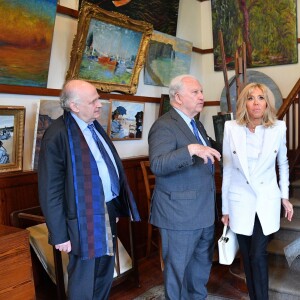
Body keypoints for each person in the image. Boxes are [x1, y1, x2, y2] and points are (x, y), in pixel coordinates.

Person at [38, 79, 140, 300]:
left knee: (104, 272)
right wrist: (59, 234)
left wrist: (114, 207)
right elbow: (50, 189)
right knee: (84, 279)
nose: (100, 104)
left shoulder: (93, 126)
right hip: (81, 219)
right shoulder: (57, 134)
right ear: (74, 106)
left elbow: (106, 167)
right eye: (93, 100)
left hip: (105, 211)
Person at [148, 74, 222, 299]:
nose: (202, 96)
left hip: (204, 212)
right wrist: (190, 150)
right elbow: (158, 164)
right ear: (178, 97)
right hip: (178, 216)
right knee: (178, 273)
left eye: (201, 91)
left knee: (199, 271)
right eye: (195, 92)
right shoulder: (164, 125)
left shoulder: (196, 123)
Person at [221, 82, 294, 300]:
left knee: (257, 254)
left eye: (261, 98)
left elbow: (283, 163)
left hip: (266, 200)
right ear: (244, 102)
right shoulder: (231, 128)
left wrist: (285, 197)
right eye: (251, 98)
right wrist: (225, 208)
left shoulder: (278, 127)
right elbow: (227, 168)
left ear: (267, 103)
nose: (256, 103)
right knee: (247, 254)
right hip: (239, 201)